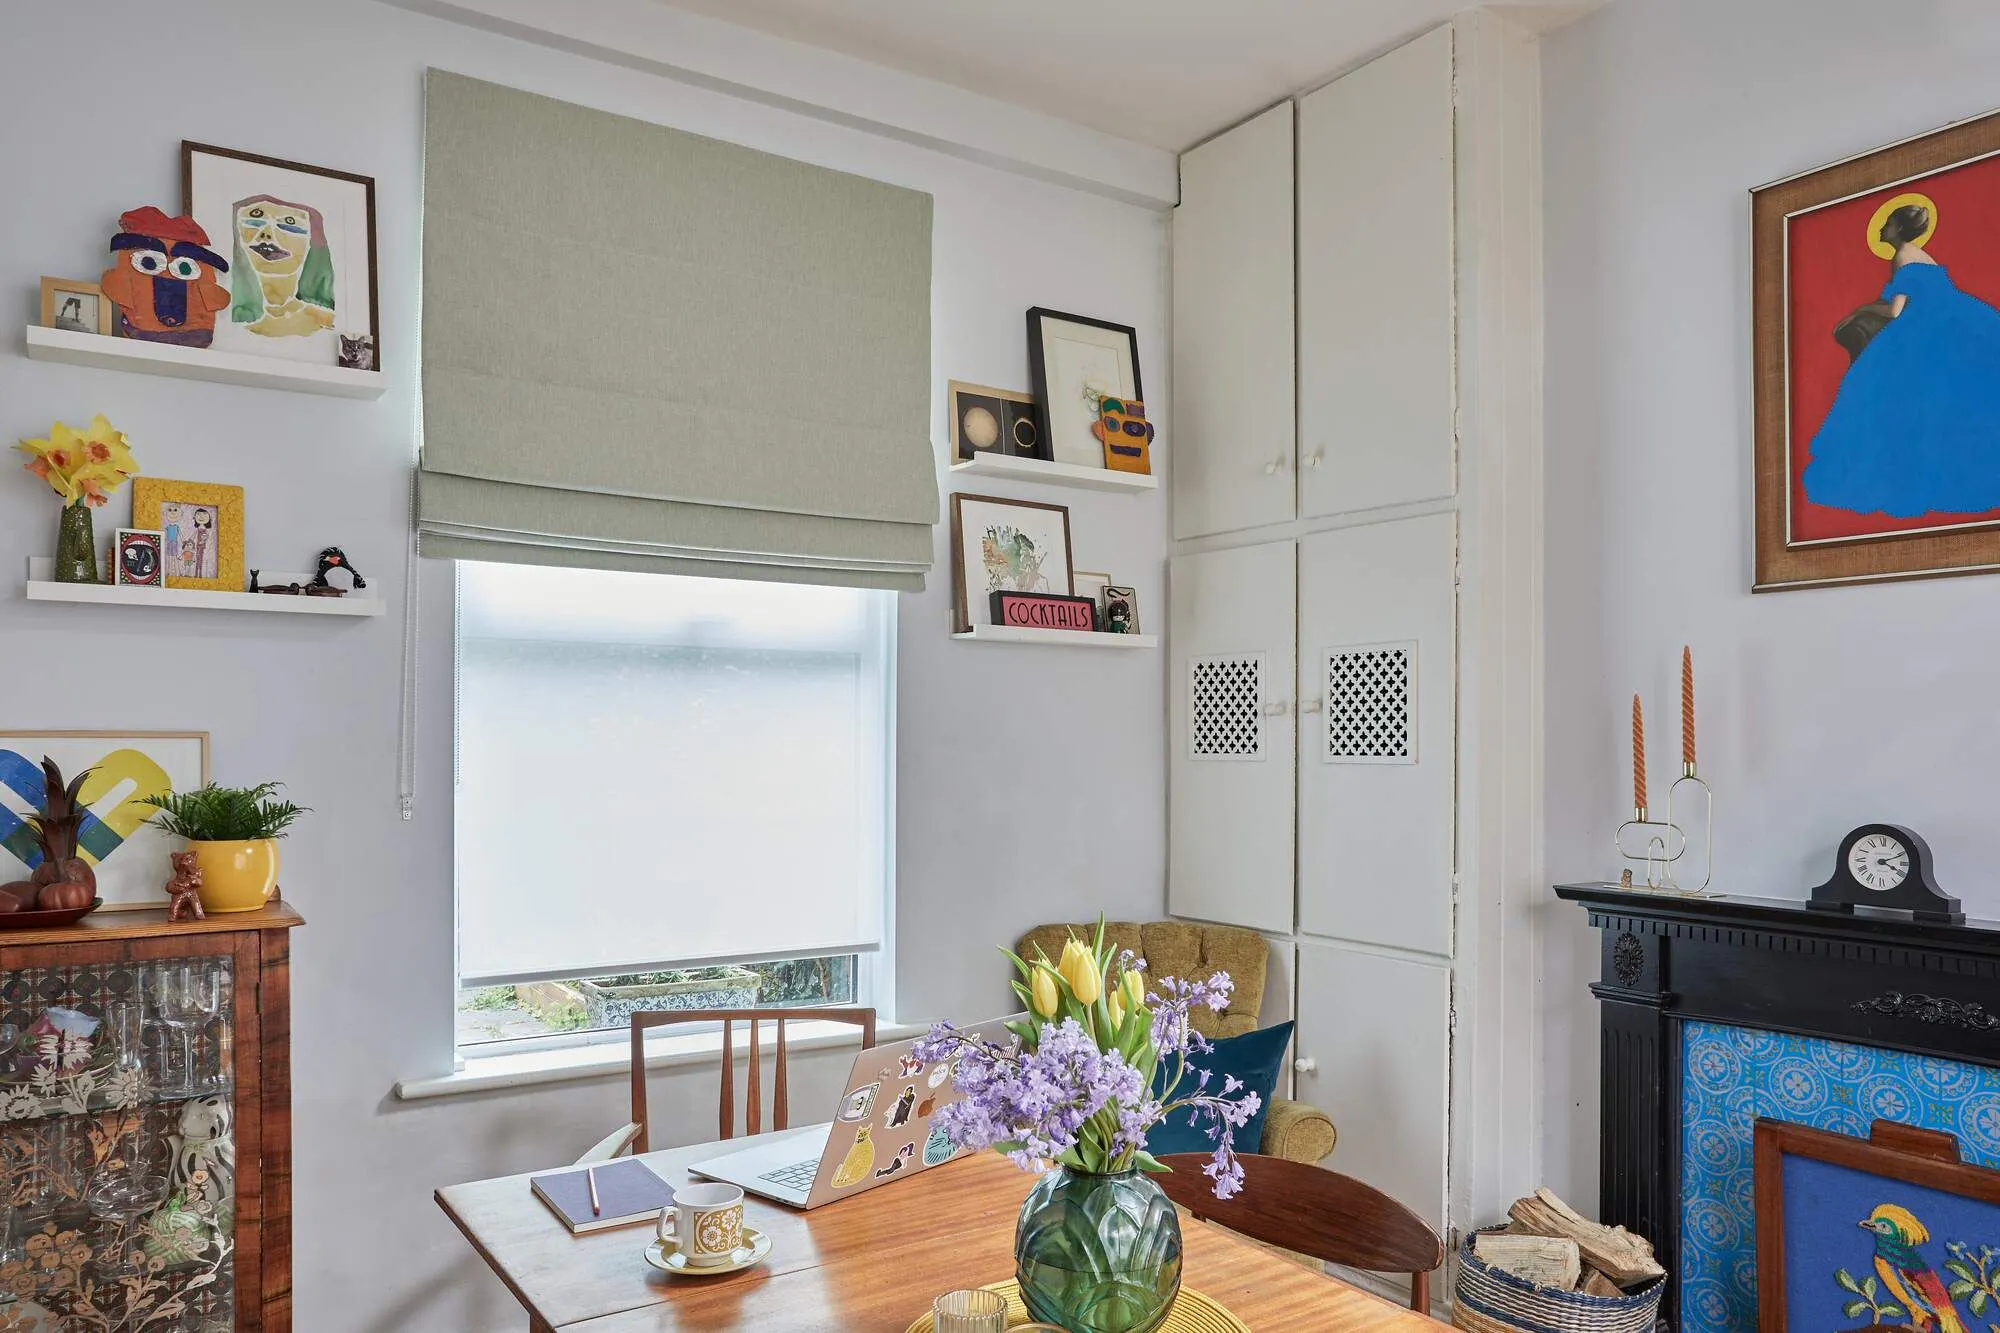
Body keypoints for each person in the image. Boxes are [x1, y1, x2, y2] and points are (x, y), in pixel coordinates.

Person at [1803, 199, 2000, 518]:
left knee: (1886, 395)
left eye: (1887, 223)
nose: (1882, 228)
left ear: (1898, 228)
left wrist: (1862, 310)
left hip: (1926, 329)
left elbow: (1896, 312)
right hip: (1960, 319)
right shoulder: (1923, 256)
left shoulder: (1901, 256)